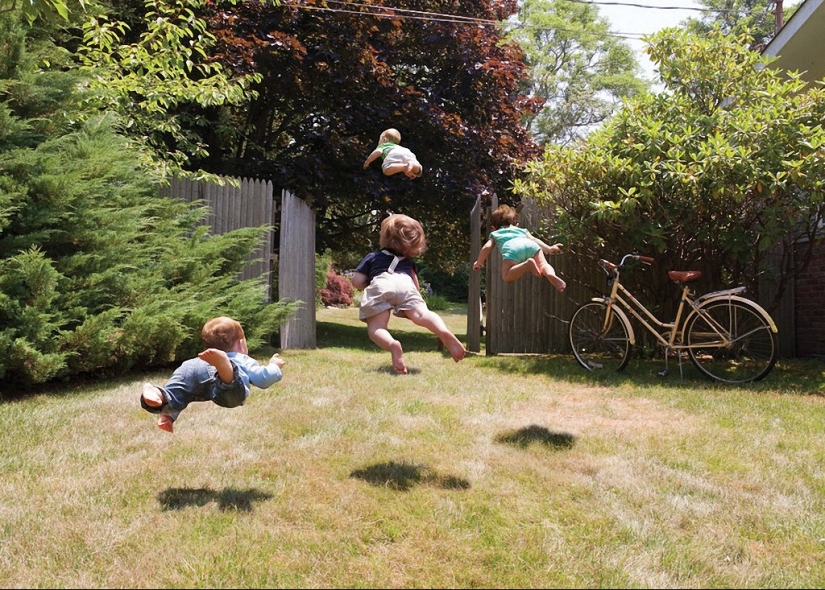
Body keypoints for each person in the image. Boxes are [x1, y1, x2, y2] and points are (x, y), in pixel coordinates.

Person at [351, 214, 466, 374]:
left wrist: (369, 285)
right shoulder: (408, 263)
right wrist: (408, 306)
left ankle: (392, 345)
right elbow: (416, 287)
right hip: (406, 283)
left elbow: (356, 281)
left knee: (376, 328)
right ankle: (442, 331)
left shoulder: (373, 257)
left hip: (381, 283)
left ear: (385, 238)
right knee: (422, 313)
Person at [139, 316, 285, 433]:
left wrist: (168, 416)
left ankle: (157, 393)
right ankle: (226, 373)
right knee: (231, 395)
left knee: (175, 395)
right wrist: (274, 365)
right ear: (241, 343)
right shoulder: (240, 358)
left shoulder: (193, 362)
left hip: (193, 366)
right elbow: (262, 378)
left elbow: (181, 393)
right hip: (223, 368)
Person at [473, 204, 567, 292]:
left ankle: (527, 264)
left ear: (493, 227)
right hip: (530, 245)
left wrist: (479, 262)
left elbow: (487, 247)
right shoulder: (522, 231)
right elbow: (534, 239)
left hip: (512, 248)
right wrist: (549, 248)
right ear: (516, 224)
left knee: (506, 276)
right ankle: (550, 274)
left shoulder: (496, 233)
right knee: (543, 264)